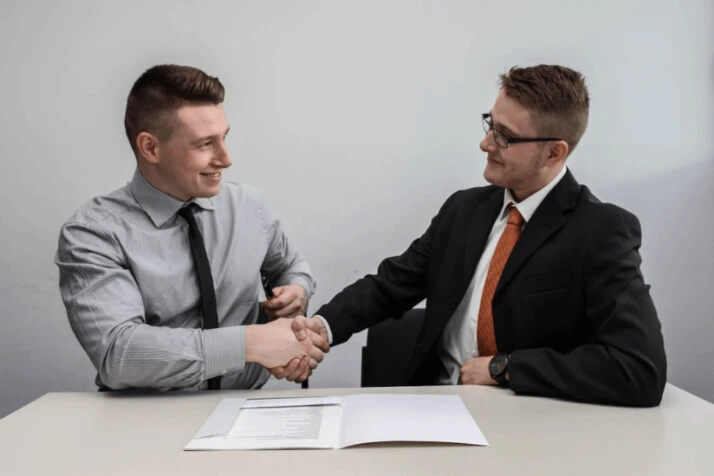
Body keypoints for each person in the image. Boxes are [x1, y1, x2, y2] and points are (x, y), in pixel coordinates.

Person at [294, 64, 667, 407]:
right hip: (433, 409)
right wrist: (320, 328)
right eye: (491, 124)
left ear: (554, 152)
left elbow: (638, 368)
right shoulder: (464, 210)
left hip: (529, 424)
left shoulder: (601, 231)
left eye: (505, 137)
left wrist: (503, 368)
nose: (486, 143)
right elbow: (390, 286)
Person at [55, 64, 326, 391]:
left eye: (224, 138)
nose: (226, 159)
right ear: (150, 148)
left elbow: (291, 267)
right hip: (143, 421)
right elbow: (119, 355)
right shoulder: (92, 233)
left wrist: (295, 291)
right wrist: (249, 343)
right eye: (205, 144)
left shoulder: (249, 206)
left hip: (246, 408)